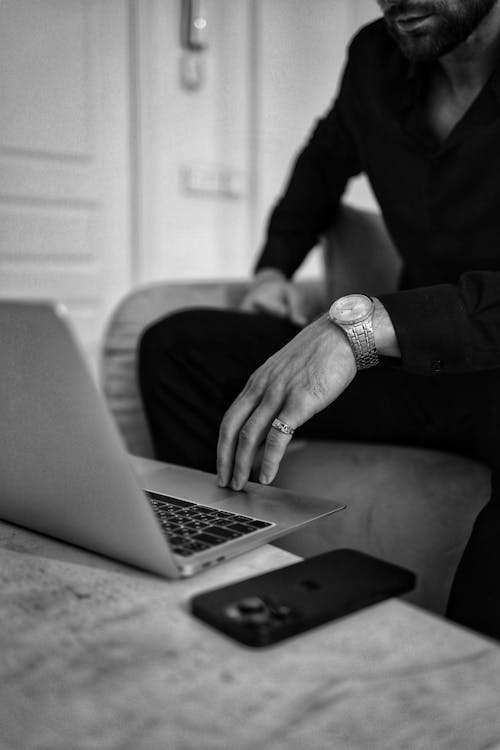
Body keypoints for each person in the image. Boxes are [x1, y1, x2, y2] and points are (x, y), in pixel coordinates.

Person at [139, 0, 500, 639]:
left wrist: (361, 326)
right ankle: (213, 581)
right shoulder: (374, 59)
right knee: (179, 346)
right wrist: (273, 270)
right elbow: (322, 163)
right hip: (421, 372)